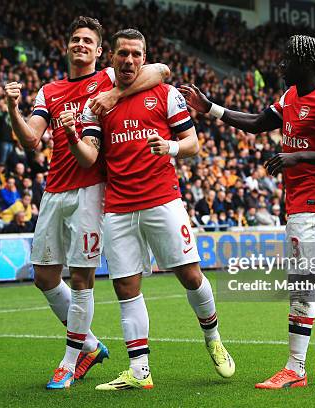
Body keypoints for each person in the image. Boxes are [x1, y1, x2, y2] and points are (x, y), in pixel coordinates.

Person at [180, 34, 315, 389]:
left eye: (287, 60)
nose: (281, 65)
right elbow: (260, 122)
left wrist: (299, 156)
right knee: (308, 283)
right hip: (297, 199)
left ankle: (296, 368)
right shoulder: (290, 96)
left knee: (301, 283)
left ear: (305, 65)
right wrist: (210, 107)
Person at [4, 16, 170, 389]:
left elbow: (160, 70)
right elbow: (32, 138)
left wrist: (114, 94)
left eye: (87, 41)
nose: (80, 44)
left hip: (91, 190)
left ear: (99, 51)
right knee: (44, 276)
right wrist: (12, 109)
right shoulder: (50, 90)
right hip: (55, 189)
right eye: (75, 39)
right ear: (68, 47)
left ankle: (68, 359)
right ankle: (91, 345)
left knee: (81, 277)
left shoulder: (110, 77)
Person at [75, 28, 234, 391]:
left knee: (191, 276)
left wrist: (171, 147)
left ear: (144, 58)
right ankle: (139, 371)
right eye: (122, 54)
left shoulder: (165, 94)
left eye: (135, 54)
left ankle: (213, 339)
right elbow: (90, 157)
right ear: (111, 58)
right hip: (117, 207)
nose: (129, 60)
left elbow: (192, 142)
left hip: (163, 200)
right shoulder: (97, 104)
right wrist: (71, 138)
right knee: (126, 286)